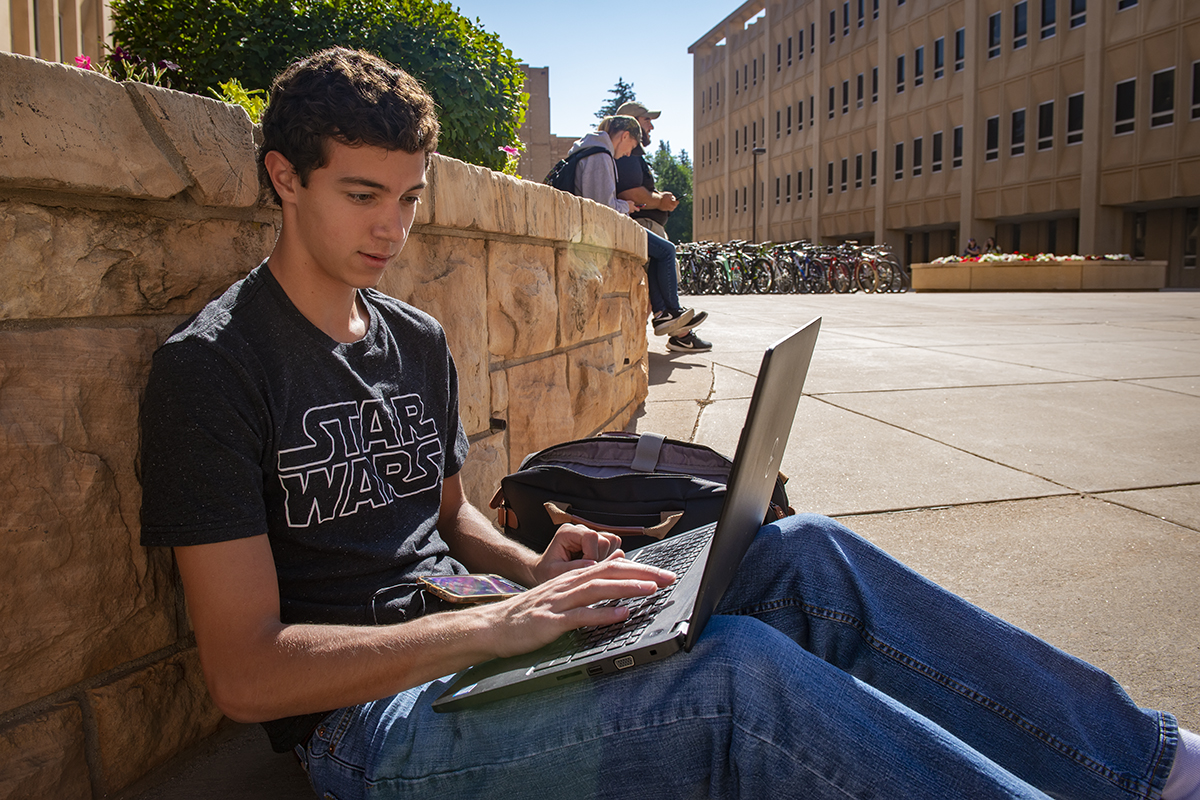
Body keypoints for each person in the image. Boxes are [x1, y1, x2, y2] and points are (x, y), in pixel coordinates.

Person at [139, 48, 1200, 800]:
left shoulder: (413, 337)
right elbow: (247, 673)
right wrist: (496, 625)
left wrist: (537, 567)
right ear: (284, 177)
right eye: (362, 194)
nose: (392, 226)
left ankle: (1154, 768)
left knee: (806, 553)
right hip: (367, 729)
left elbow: (453, 524)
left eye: (409, 197)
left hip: (480, 643)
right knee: (739, 675)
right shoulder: (213, 369)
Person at [565, 114, 709, 347]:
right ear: (624, 136)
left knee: (657, 253)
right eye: (632, 145)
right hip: (602, 231)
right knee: (665, 250)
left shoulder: (591, 150)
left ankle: (666, 314)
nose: (629, 153)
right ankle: (670, 311)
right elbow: (602, 206)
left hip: (594, 229)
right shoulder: (600, 155)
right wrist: (627, 206)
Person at [614, 101, 711, 355]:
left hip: (648, 222)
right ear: (632, 122)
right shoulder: (629, 153)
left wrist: (660, 198)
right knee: (665, 258)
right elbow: (630, 192)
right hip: (642, 223)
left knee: (662, 267)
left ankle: (677, 329)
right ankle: (676, 327)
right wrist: (660, 201)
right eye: (647, 120)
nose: (651, 126)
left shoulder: (633, 154)